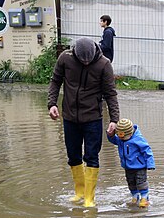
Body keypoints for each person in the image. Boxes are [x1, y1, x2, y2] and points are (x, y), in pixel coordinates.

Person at [48, 37, 120, 207]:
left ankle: (89, 198)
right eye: (83, 61)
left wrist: (114, 119)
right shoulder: (65, 58)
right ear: (75, 54)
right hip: (70, 117)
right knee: (73, 156)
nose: (86, 63)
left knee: (91, 156)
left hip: (93, 118)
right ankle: (79, 193)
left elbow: (111, 94)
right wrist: (51, 104)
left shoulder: (104, 64)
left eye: (89, 61)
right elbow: (55, 81)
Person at [107, 118, 155, 208]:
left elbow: (147, 150)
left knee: (141, 182)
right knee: (131, 183)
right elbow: (113, 140)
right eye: (118, 135)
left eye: (122, 136)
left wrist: (150, 163)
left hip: (140, 166)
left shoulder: (138, 139)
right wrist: (110, 134)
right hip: (128, 167)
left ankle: (144, 198)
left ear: (130, 133)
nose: (120, 138)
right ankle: (135, 197)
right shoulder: (121, 139)